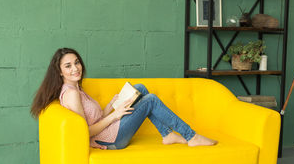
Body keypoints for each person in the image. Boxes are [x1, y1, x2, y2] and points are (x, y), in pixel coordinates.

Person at [31, 48, 217, 150]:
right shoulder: (71, 93)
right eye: (68, 66)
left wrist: (112, 105)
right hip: (110, 140)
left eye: (77, 62)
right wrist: (115, 115)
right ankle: (191, 136)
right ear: (60, 71)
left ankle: (167, 135)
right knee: (150, 99)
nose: (75, 68)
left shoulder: (76, 88)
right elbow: (84, 132)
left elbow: (94, 119)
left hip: (107, 131)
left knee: (140, 89)